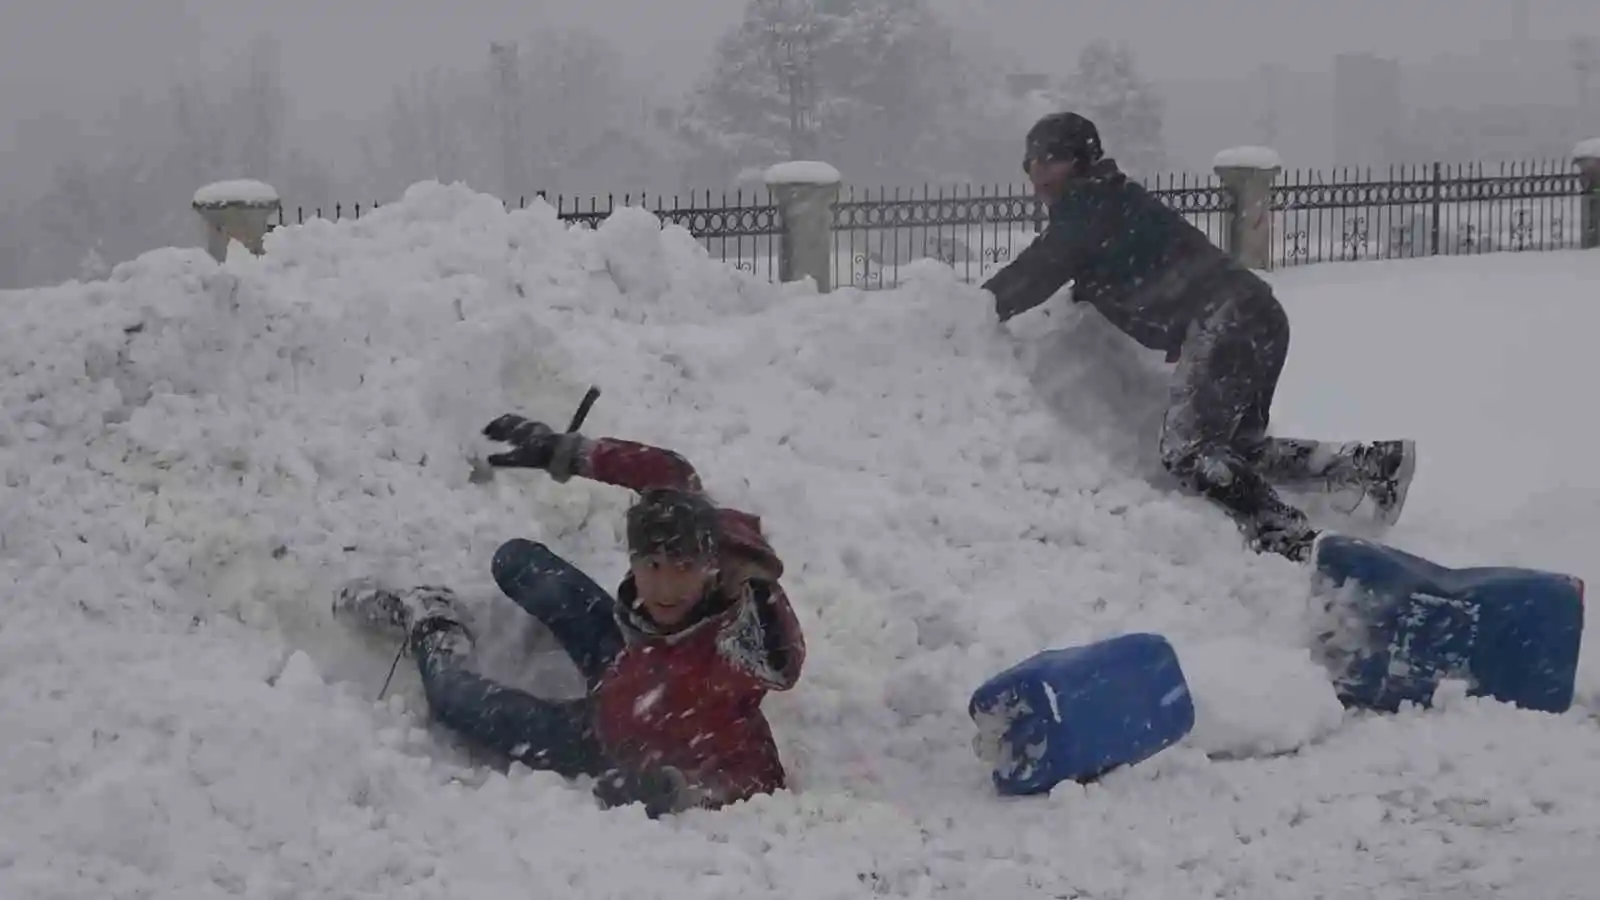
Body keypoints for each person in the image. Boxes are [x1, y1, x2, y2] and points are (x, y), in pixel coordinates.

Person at [981, 112, 1417, 562]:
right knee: (1239, 448)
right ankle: (1371, 465)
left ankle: (1290, 541)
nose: (1036, 176)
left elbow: (1033, 274)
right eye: (1030, 164)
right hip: (1255, 314)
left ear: (1080, 161)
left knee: (1188, 451)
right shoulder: (1109, 205)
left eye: (1047, 161)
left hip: (1227, 317)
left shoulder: (1090, 208)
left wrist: (965, 313)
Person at [332, 414, 806, 817]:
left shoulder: (732, 656)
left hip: (599, 735)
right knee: (515, 559)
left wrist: (674, 789)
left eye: (683, 568)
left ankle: (430, 621)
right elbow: (667, 471)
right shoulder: (694, 522)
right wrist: (565, 450)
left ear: (711, 567)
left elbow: (759, 775)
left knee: (453, 696)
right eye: (652, 566)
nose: (665, 587)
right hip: (622, 655)